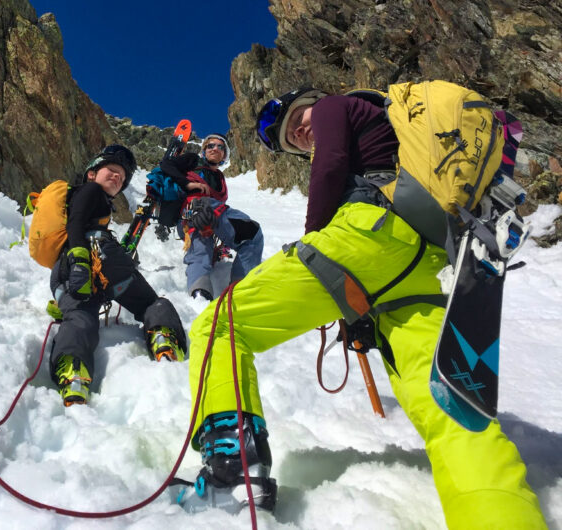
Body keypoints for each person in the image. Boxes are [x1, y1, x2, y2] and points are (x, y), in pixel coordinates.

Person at [178, 88, 547, 527]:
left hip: (364, 234)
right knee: (449, 403)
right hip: (426, 264)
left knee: (218, 328)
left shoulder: (337, 105)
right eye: (291, 139)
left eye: (295, 119)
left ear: (311, 97)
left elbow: (331, 163)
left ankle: (231, 477)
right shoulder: (387, 132)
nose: (297, 132)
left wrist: (314, 238)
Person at [49, 144, 188, 406]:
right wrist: (81, 258)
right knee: (149, 303)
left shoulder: (84, 196)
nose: (117, 177)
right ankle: (163, 338)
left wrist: (76, 267)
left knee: (79, 318)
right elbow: (76, 222)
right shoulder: (90, 191)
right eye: (111, 170)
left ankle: (73, 374)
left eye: (122, 177)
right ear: (92, 173)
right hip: (100, 261)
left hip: (64, 278)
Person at [159, 133, 263, 301]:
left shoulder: (220, 179)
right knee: (209, 245)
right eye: (210, 146)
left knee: (247, 236)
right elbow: (166, 165)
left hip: (208, 216)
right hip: (192, 212)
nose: (215, 149)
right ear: (204, 150)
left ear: (224, 154)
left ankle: (230, 294)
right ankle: (217, 295)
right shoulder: (193, 161)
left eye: (220, 147)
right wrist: (187, 183)